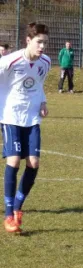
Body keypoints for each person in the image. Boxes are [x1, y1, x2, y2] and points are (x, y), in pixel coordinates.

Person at [0, 23, 51, 234]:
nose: (42, 47)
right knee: (13, 161)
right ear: (28, 41)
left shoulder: (45, 62)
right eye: (39, 42)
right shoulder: (9, 61)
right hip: (10, 116)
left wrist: (43, 101)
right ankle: (8, 214)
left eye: (45, 43)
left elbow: (38, 84)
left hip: (31, 118)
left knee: (33, 162)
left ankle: (18, 208)